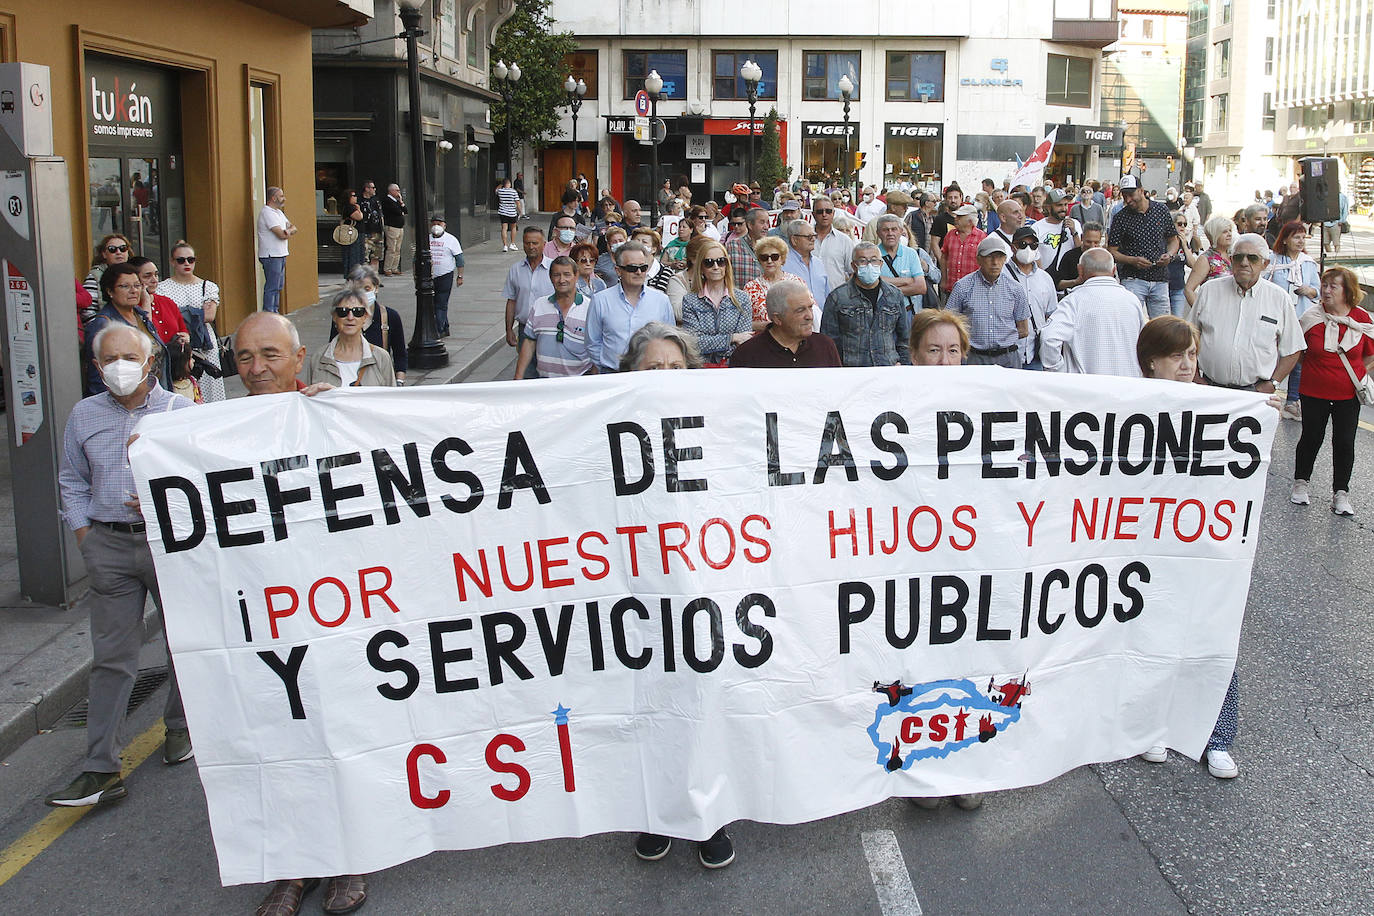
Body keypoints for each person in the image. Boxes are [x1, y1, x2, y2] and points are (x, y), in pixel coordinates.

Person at [232, 312, 368, 916]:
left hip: (335, 609)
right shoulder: (213, 429)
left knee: (340, 734)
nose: (257, 369)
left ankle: (349, 860)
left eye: (270, 355)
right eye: (243, 357)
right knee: (278, 743)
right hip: (261, 615)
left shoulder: (330, 415)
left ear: (298, 357)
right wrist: (152, 463)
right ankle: (292, 868)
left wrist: (339, 413)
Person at [47, 324, 194, 811]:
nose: (120, 366)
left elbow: (205, 480)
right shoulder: (83, 415)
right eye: (109, 358)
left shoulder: (181, 413)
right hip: (107, 546)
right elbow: (72, 478)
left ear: (150, 361)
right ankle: (101, 767)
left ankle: (179, 726)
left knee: (183, 643)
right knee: (112, 657)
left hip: (166, 547)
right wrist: (84, 536)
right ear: (96, 366)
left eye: (130, 356)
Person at [1133, 315, 1243, 780]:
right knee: (1153, 637)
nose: (1185, 364)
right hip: (1151, 547)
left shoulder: (1217, 407)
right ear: (1151, 362)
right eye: (1175, 356)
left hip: (1204, 545)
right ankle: (1155, 725)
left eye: (1191, 355)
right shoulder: (1127, 409)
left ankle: (1216, 736)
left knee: (1213, 638)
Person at [1290, 267, 1374, 517]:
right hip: (1313, 390)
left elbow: (1370, 354)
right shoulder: (1311, 317)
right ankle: (1301, 484)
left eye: (1332, 286)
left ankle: (1341, 493)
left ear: (1347, 291)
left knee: (1345, 442)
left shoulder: (1362, 320)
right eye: (1324, 285)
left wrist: (1359, 373)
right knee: (1311, 437)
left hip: (1348, 393)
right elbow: (1298, 352)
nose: (1326, 291)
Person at [1185, 233, 1302, 392]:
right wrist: (1196, 378)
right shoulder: (1208, 291)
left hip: (1255, 393)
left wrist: (1273, 383)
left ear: (1265, 264)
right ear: (1231, 261)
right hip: (1210, 389)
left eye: (1252, 258)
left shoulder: (1279, 298)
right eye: (1238, 257)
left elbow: (1293, 348)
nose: (1244, 263)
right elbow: (1188, 337)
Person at [1039, 248, 1146, 376]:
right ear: (1114, 270)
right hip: (1128, 385)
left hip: (1086, 388)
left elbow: (1049, 338)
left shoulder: (1073, 301)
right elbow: (1145, 342)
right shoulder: (1132, 300)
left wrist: (1059, 372)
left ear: (1080, 270)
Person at [586, 241, 676, 373]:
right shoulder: (600, 300)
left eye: (643, 267)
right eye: (632, 268)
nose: (638, 272)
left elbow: (669, 340)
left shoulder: (661, 300)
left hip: (651, 375)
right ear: (618, 270)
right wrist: (604, 366)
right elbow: (592, 341)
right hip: (611, 373)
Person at [83, 263, 170, 395]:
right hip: (123, 404)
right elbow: (97, 378)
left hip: (154, 396)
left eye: (137, 285)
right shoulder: (103, 325)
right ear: (110, 291)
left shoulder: (141, 316)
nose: (134, 290)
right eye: (125, 286)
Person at [820, 242, 911, 367]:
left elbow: (905, 337)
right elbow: (829, 340)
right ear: (853, 265)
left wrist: (904, 363)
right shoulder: (837, 297)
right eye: (862, 261)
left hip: (887, 368)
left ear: (881, 264)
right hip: (852, 370)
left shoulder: (894, 295)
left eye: (874, 261)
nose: (869, 265)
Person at [945, 235, 1030, 368]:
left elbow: (1024, 329)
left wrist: (1003, 338)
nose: (995, 262)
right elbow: (948, 323)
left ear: (1005, 259)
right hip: (975, 357)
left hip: (1008, 358)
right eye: (990, 257)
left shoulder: (1015, 288)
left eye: (999, 257)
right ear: (979, 259)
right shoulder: (963, 287)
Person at [156, 240, 226, 403]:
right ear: (172, 262)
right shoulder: (162, 287)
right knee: (181, 384)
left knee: (209, 383)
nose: (186, 263)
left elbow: (209, 316)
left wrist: (178, 312)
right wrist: (195, 312)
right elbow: (165, 316)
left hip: (203, 342)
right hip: (178, 343)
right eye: (181, 260)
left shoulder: (208, 286)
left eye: (191, 259)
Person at [1265, 220, 1321, 419]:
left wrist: (1309, 290)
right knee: (1270, 356)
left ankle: (1292, 401)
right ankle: (1265, 396)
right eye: (1296, 237)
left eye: (1303, 237)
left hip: (1300, 318)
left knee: (1296, 359)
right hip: (1275, 317)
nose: (1300, 241)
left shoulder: (1307, 263)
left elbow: (1318, 290)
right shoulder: (1273, 260)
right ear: (1286, 239)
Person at [1108, 176, 1179, 318]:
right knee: (1130, 323)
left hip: (1159, 278)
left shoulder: (1161, 210)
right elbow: (1112, 251)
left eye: (1131, 195)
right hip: (1133, 278)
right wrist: (1132, 260)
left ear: (1141, 191)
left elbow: (1173, 239)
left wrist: (1170, 255)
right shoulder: (1121, 217)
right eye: (1124, 195)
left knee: (1162, 326)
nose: (1128, 200)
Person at [730, 279, 840, 368]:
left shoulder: (825, 346)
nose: (810, 316)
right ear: (777, 318)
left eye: (810, 307)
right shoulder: (747, 355)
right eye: (800, 310)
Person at [515, 256, 595, 378]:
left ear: (576, 276)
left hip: (579, 383)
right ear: (551, 278)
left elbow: (596, 348)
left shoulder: (590, 308)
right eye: (556, 275)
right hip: (545, 383)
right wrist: (518, 376)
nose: (562, 280)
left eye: (567, 274)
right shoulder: (539, 304)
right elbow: (529, 342)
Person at [679, 240, 753, 367]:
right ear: (701, 268)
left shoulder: (742, 299)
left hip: (733, 367)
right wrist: (731, 338)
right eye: (708, 263)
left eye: (721, 261)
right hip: (700, 369)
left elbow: (744, 342)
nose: (716, 267)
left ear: (727, 265)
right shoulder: (690, 301)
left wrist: (710, 342)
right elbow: (693, 343)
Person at [306, 287, 397, 387]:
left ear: (365, 317)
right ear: (334, 317)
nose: (350, 317)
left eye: (358, 311)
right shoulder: (318, 358)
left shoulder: (381, 358)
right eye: (343, 311)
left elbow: (391, 399)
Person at [333, 265, 407, 385]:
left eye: (367, 289)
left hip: (377, 380)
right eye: (358, 289)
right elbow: (333, 346)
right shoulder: (343, 317)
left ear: (376, 288)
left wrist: (399, 381)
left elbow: (400, 355)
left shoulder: (390, 317)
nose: (350, 317)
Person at [1008, 227, 1058, 369]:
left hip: (1036, 353)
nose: (1028, 249)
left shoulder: (1045, 278)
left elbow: (1052, 315)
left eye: (1033, 245)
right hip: (1008, 353)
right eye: (1023, 245)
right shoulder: (1002, 275)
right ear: (1013, 247)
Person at [503, 227, 555, 359]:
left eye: (535, 243)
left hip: (550, 330)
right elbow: (511, 301)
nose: (531, 247)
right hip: (525, 329)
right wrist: (509, 330)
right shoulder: (515, 269)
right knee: (526, 372)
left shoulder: (554, 269)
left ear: (544, 245)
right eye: (527, 243)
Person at [744, 236, 805, 331]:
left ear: (782, 259)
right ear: (759, 260)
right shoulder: (750, 288)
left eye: (774, 257)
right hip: (762, 341)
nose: (769, 261)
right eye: (764, 257)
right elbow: (743, 323)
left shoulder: (796, 283)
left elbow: (809, 312)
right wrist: (766, 326)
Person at [127, 257, 190, 345]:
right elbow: (145, 335)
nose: (155, 280)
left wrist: (185, 337)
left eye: (156, 275)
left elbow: (183, 330)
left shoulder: (168, 302)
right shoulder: (130, 306)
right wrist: (146, 301)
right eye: (147, 276)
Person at [872, 214, 927, 312]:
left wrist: (883, 285)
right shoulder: (872, 254)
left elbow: (921, 287)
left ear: (901, 231)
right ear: (878, 233)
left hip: (907, 312)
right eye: (885, 230)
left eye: (894, 229)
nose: (890, 233)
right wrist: (907, 281)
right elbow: (871, 286)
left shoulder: (911, 254)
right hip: (880, 312)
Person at [783, 219, 829, 331]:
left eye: (814, 235)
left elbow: (827, 294)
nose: (813, 239)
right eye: (808, 237)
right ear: (794, 240)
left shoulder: (819, 263)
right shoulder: (782, 263)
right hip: (795, 325)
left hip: (821, 324)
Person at [256, 186, 297, 312]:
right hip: (271, 255)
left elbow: (293, 228)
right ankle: (269, 313)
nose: (284, 199)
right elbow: (280, 234)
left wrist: (288, 231)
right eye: (281, 196)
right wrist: (287, 232)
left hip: (281, 254)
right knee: (272, 287)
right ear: (273, 198)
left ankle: (275, 311)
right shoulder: (267, 213)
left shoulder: (279, 213)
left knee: (278, 286)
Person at [1183, 215, 1234, 307]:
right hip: (1215, 309)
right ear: (1215, 234)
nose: (1229, 234)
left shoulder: (1234, 255)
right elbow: (1188, 289)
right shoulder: (1206, 259)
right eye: (1224, 232)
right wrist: (1200, 313)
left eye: (1230, 230)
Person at [428, 214, 464, 338]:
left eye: (439, 223)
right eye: (434, 223)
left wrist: (460, 276)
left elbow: (459, 259)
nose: (436, 226)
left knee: (441, 303)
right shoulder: (427, 239)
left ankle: (438, 329)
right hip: (429, 277)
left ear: (444, 225)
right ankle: (445, 326)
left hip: (445, 276)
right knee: (433, 304)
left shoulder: (451, 240)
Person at [1031, 189, 1080, 276]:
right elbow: (1033, 255)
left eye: (1065, 205)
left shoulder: (1075, 224)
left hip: (1070, 280)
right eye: (1059, 205)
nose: (1064, 208)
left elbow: (1080, 251)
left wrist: (1074, 232)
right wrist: (1042, 277)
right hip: (1047, 278)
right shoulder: (1037, 228)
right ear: (1048, 207)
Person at [940, 205, 986, 292]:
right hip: (952, 288)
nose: (955, 219)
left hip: (973, 289)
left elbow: (985, 263)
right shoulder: (950, 235)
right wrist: (944, 279)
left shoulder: (982, 237)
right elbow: (944, 257)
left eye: (959, 217)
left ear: (970, 221)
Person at [81, 233, 133, 310]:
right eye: (112, 249)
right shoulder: (95, 276)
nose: (118, 252)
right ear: (104, 254)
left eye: (123, 248)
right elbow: (88, 311)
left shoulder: (135, 273)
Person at [813, 197, 856, 287]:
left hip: (837, 296)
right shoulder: (804, 238)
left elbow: (853, 272)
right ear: (813, 214)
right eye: (820, 212)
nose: (824, 215)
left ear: (833, 213)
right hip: (809, 297)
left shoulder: (845, 241)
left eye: (828, 211)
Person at [726, 207, 771, 288]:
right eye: (762, 222)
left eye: (767, 223)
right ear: (750, 225)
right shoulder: (733, 246)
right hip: (739, 298)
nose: (766, 227)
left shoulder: (772, 247)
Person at [1054, 221, 1104, 294]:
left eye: (1096, 242)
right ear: (1082, 237)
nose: (1092, 246)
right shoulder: (1070, 256)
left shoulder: (1104, 257)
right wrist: (1076, 281)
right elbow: (1058, 284)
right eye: (1088, 242)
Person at [379, 183, 407, 276]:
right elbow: (398, 212)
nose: (398, 192)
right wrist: (401, 209)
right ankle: (387, 268)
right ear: (391, 191)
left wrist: (401, 201)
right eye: (397, 190)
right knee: (391, 248)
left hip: (399, 227)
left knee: (398, 249)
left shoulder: (397, 201)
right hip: (392, 227)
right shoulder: (387, 200)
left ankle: (394, 267)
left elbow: (405, 210)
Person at [337, 188, 365, 277]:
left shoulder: (353, 207)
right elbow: (359, 217)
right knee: (353, 256)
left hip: (358, 234)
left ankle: (357, 274)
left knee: (359, 256)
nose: (355, 197)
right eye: (353, 196)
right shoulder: (349, 208)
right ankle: (352, 275)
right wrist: (359, 209)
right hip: (352, 236)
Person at [359, 180, 385, 270]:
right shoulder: (360, 201)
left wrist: (382, 229)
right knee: (365, 257)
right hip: (366, 232)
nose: (375, 189)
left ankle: (375, 277)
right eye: (373, 188)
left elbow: (380, 214)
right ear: (367, 189)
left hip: (377, 232)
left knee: (376, 256)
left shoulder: (376, 200)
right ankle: (366, 278)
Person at [496, 178, 521, 252]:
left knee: (504, 228)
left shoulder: (500, 191)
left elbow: (496, 189)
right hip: (512, 212)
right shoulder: (513, 192)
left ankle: (505, 245)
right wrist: (520, 211)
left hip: (502, 212)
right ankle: (512, 243)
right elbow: (518, 202)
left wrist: (501, 184)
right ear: (509, 183)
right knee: (513, 228)